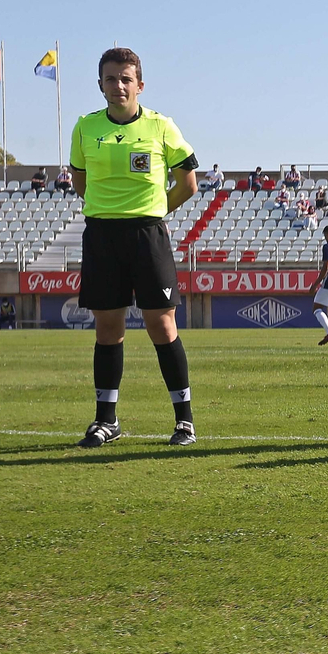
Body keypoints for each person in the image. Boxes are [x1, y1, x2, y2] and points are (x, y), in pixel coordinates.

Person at [68, 47, 200, 448]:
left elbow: (188, 183)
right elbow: (80, 181)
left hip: (147, 235)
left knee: (162, 326)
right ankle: (106, 421)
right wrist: (108, 209)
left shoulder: (161, 126)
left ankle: (184, 421)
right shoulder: (85, 128)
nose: (118, 85)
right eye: (111, 79)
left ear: (139, 85)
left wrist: (156, 210)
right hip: (103, 236)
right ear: (101, 85)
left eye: (126, 79)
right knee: (108, 330)